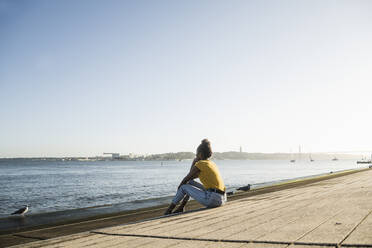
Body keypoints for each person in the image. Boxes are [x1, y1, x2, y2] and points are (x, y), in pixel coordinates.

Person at [164, 139, 226, 215]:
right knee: (189, 183)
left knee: (183, 187)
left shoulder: (200, 163)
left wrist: (179, 187)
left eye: (196, 154)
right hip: (222, 198)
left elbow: (187, 177)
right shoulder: (211, 163)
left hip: (213, 200)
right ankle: (181, 207)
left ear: (200, 154)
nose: (196, 156)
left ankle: (169, 210)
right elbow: (190, 179)